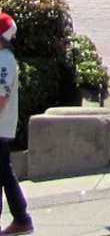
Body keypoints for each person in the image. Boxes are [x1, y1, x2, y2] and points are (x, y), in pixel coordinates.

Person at [0, 14, 32, 235]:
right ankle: (21, 217)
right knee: (3, 173)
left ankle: (22, 218)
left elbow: (1, 96)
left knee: (4, 174)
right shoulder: (4, 59)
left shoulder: (4, 61)